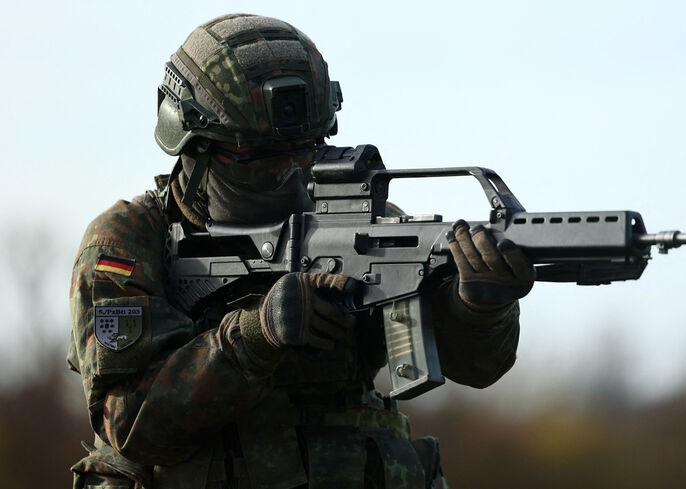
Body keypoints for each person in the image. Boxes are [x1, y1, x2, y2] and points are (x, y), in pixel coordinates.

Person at [68, 13, 534, 489]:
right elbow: (132, 425)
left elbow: (477, 368)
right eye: (260, 158)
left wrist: (477, 309)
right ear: (194, 145)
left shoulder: (365, 228)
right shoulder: (129, 241)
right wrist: (257, 334)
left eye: (306, 149)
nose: (288, 173)